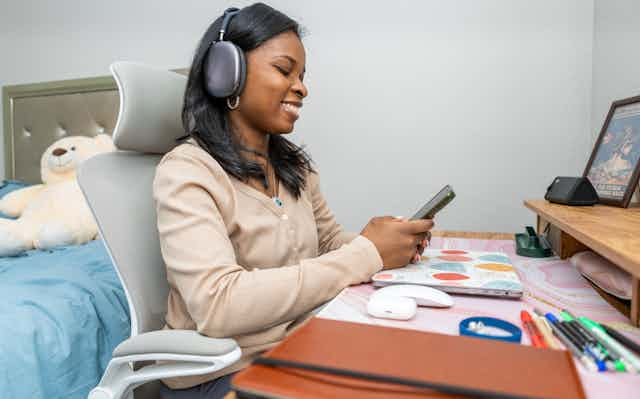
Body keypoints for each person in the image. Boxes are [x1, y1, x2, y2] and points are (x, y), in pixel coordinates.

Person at [154, 4, 433, 398]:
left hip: (296, 349)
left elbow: (329, 240)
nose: (302, 87)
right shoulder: (187, 171)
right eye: (285, 71)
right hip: (220, 375)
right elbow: (218, 305)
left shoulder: (293, 166)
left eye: (302, 76)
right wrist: (365, 255)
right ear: (225, 74)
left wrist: (389, 243)